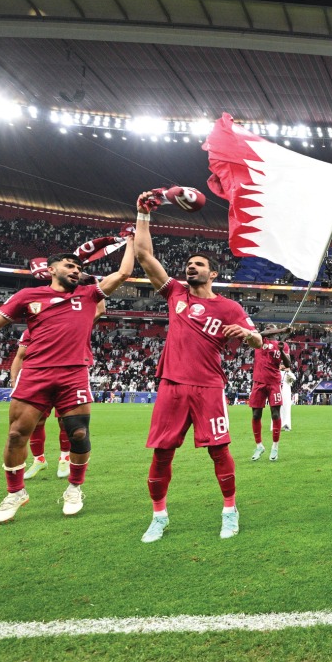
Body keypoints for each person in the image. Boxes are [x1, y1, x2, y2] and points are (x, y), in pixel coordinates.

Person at [0, 241, 134, 523]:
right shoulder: (28, 295)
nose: (75, 270)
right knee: (17, 434)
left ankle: (74, 489)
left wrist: (130, 240)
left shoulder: (89, 295)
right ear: (51, 269)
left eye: (78, 267)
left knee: (78, 434)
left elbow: (124, 273)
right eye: (69, 265)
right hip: (35, 373)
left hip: (73, 374)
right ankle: (15, 492)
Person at [132, 192, 263, 543]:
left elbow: (259, 341)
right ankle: (159, 515)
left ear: (213, 273)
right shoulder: (175, 293)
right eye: (188, 264)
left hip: (209, 387)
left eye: (199, 264)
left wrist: (246, 335)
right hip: (172, 385)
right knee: (162, 453)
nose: (191, 267)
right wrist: (143, 214)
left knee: (219, 451)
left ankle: (230, 511)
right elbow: (144, 255)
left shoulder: (230, 308)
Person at [11, 329, 71, 480]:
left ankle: (65, 458)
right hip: (38, 379)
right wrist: (14, 381)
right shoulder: (30, 331)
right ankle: (39, 460)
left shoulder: (67, 326)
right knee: (36, 421)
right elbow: (19, 357)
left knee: (65, 421)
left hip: (64, 378)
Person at [250, 326, 293, 462]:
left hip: (274, 383)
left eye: (271, 327)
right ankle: (259, 446)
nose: (268, 328)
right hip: (258, 383)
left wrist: (281, 350)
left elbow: (288, 364)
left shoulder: (283, 345)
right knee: (256, 414)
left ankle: (275, 446)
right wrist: (281, 330)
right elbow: (262, 333)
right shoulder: (260, 339)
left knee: (275, 414)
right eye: (268, 327)